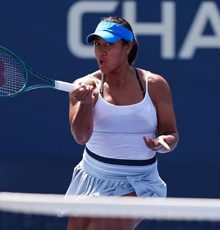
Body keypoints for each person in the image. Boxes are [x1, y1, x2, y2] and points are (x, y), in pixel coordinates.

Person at [66, 16, 179, 230]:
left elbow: (171, 133)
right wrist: (86, 104)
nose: (101, 50)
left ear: (128, 47)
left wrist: (164, 142)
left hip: (140, 182)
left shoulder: (155, 85)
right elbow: (81, 137)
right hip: (93, 177)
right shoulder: (83, 86)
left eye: (109, 44)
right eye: (97, 44)